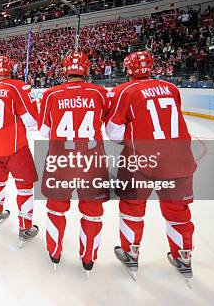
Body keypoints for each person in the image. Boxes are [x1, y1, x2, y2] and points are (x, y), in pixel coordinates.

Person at [105, 51, 196, 281]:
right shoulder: (171, 88)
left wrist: (134, 134)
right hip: (179, 158)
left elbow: (113, 132)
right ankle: (183, 255)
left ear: (128, 70)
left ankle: (130, 251)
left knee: (132, 206)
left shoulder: (124, 91)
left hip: (141, 160)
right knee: (178, 210)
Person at [38, 52, 110, 274]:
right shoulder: (101, 93)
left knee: (56, 209)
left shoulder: (51, 94)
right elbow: (110, 127)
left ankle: (54, 253)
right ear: (86, 69)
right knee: (93, 212)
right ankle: (88, 259)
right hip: (92, 161)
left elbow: (44, 131)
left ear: (65, 70)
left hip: (61, 161)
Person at [0, 56, 39, 246]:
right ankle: (25, 227)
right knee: (25, 186)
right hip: (14, 146)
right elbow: (31, 120)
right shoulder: (17, 86)